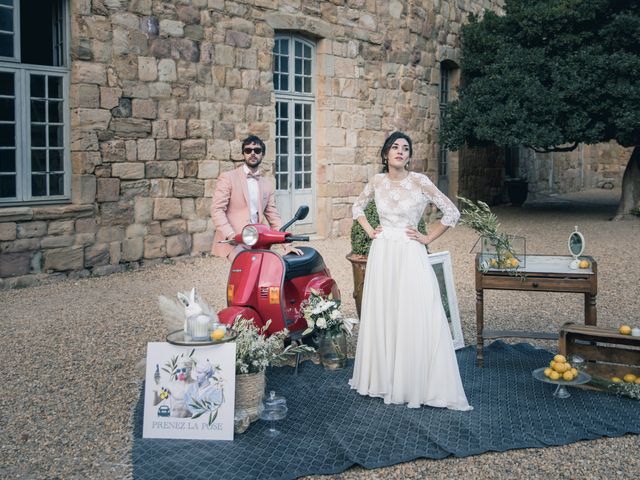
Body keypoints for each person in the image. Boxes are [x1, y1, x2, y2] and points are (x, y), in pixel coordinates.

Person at [349, 131, 472, 411]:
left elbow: (452, 212)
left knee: (416, 311)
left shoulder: (420, 182)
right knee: (385, 312)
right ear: (385, 154)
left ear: (409, 156)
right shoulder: (377, 181)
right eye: (395, 147)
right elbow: (357, 206)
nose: (400, 152)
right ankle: (383, 379)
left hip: (409, 252)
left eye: (405, 148)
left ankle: (415, 381)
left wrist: (427, 238)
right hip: (382, 253)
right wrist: (370, 231)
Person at [211, 135, 302, 260]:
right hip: (234, 241)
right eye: (248, 150)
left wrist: (287, 245)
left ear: (263, 154)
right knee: (246, 269)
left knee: (266, 270)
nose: (252, 153)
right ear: (243, 154)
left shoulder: (267, 185)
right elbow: (217, 210)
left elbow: (273, 217)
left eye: (257, 150)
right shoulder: (228, 178)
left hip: (256, 240)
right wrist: (230, 234)